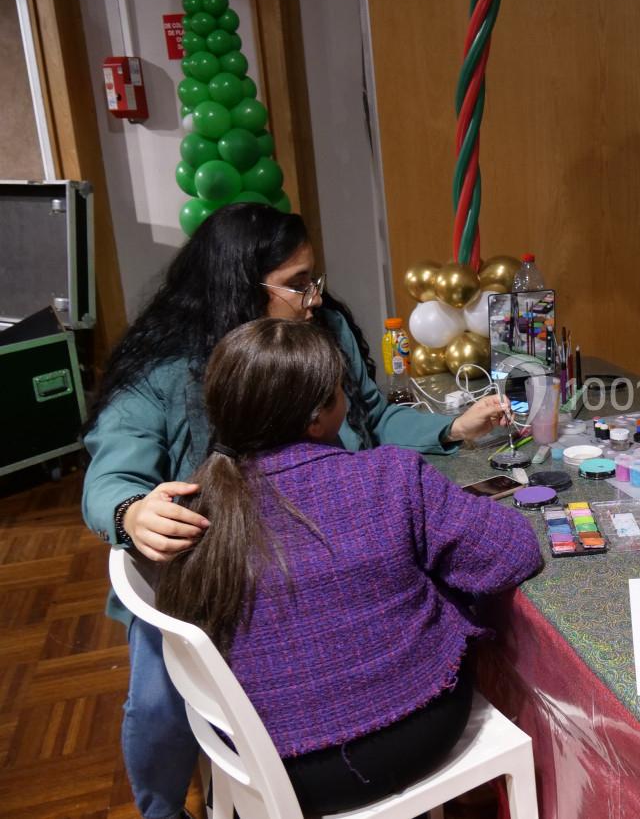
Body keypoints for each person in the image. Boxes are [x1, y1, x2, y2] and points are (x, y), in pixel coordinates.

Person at [80, 203, 510, 819]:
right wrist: (130, 512)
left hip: (321, 541)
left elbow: (373, 418)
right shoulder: (164, 370)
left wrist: (449, 428)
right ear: (240, 287)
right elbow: (112, 476)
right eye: (297, 283)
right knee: (158, 699)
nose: (314, 298)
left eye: (316, 279)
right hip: (219, 569)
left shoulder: (324, 328)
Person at [152, 318, 542, 814]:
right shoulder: (388, 475)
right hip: (414, 731)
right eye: (341, 389)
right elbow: (512, 552)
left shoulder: (196, 508)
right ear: (318, 417)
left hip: (265, 763)